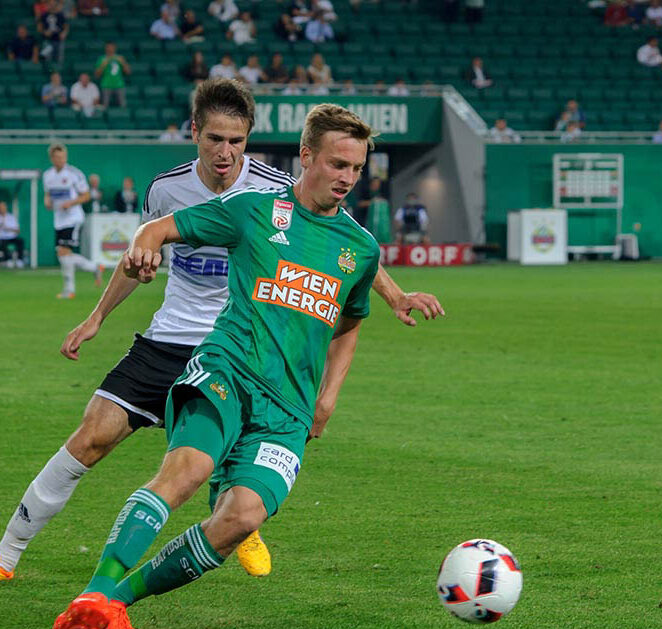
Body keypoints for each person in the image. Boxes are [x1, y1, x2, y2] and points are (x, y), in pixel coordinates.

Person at [0, 80, 443, 587]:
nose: (225, 152)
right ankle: (8, 550)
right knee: (91, 437)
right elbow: (143, 250)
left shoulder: (276, 188)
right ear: (194, 132)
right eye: (215, 139)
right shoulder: (166, 189)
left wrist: (395, 295)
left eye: (237, 141)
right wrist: (98, 315)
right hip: (172, 336)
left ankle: (229, 508)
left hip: (244, 349)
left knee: (216, 465)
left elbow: (338, 246)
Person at [42, 143, 104, 299]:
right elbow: (48, 194)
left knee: (64, 253)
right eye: (57, 157)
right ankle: (95, 267)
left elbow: (86, 195)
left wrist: (71, 203)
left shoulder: (74, 174)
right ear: (52, 158)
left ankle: (69, 290)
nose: (61, 160)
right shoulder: (47, 175)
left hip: (73, 218)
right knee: (63, 255)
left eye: (63, 157)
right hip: (59, 220)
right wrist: (47, 201)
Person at [95, 42, 131, 108]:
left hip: (119, 85)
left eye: (112, 47)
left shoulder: (120, 58)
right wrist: (103, 65)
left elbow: (128, 72)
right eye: (108, 47)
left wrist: (123, 63)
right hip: (106, 85)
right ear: (105, 48)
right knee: (105, 106)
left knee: (123, 106)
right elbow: (97, 75)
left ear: (115, 48)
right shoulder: (102, 59)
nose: (110, 49)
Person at [358, 177, 392, 243]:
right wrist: (372, 202)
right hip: (364, 219)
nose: (376, 185)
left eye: (378, 184)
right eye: (375, 183)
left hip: (377, 224)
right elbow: (359, 204)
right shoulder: (365, 192)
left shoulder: (382, 193)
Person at [38, 0, 69, 65]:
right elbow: (40, 27)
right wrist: (44, 32)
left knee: (59, 58)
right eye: (50, 4)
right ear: (47, 5)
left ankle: (59, 70)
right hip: (47, 40)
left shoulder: (60, 15)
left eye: (53, 4)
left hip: (59, 40)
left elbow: (66, 26)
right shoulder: (44, 15)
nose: (52, 6)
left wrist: (64, 33)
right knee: (47, 58)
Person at [0, 201, 25, 268]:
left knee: (20, 241)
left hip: (12, 237)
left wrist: (8, 229)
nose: (2, 208)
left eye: (3, 207)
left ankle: (20, 260)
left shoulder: (11, 217)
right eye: (1, 207)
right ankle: (8, 260)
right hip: (2, 238)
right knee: (3, 244)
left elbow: (18, 230)